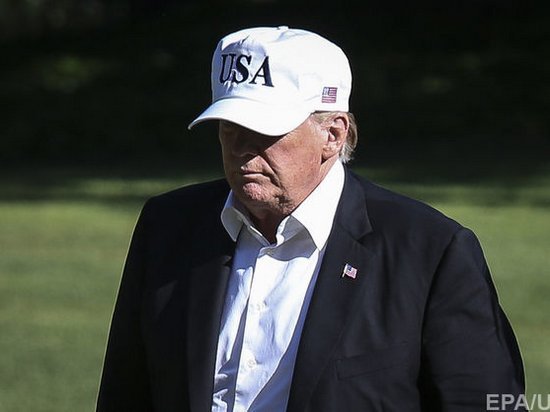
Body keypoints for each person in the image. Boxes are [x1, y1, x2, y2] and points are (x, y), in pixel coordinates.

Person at [96, 26, 526, 411]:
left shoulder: (429, 251)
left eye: (265, 130)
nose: (242, 147)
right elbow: (126, 393)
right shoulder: (168, 226)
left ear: (333, 135)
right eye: (228, 127)